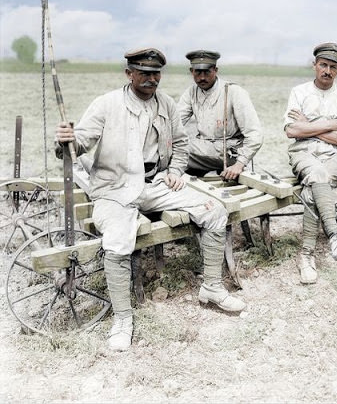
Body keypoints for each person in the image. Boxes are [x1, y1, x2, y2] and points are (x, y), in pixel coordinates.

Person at [55, 47, 246, 352]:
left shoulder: (166, 104)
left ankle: (211, 287)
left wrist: (176, 170)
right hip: (114, 189)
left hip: (155, 185)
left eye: (156, 73)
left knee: (214, 210)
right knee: (118, 240)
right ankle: (122, 319)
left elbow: (182, 144)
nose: (151, 79)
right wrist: (67, 139)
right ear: (128, 73)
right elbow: (80, 144)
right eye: (143, 73)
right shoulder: (107, 104)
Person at [283, 42, 337, 285]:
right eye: (323, 65)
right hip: (303, 153)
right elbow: (292, 131)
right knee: (316, 173)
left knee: (315, 183)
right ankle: (335, 236)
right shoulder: (299, 92)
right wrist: (330, 124)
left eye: (332, 67)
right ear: (314, 65)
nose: (327, 70)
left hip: (335, 156)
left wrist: (310, 126)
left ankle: (306, 255)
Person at [178, 50, 263, 181]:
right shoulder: (191, 92)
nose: (202, 77)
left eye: (207, 72)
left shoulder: (234, 91)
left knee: (177, 150)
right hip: (204, 149)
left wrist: (239, 165)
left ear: (215, 70)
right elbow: (175, 123)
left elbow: (255, 134)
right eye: (198, 72)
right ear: (191, 71)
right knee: (170, 146)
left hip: (229, 154)